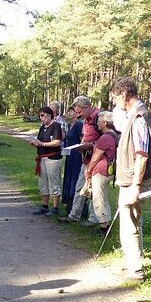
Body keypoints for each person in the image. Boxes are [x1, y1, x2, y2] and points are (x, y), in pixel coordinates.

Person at [111, 77, 151, 282]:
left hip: (134, 180)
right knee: (131, 223)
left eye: (115, 97)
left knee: (130, 225)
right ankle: (133, 264)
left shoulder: (139, 117)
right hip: (132, 179)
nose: (114, 102)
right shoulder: (138, 114)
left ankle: (136, 270)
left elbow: (142, 154)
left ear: (124, 95)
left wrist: (136, 186)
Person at [58, 95, 99, 225]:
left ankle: (93, 219)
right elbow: (85, 137)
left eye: (80, 112)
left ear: (87, 107)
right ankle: (74, 214)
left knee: (93, 190)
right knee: (79, 187)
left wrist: (91, 145)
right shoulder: (85, 120)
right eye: (76, 112)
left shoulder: (98, 118)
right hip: (86, 158)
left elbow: (107, 138)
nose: (78, 115)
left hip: (97, 159)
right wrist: (82, 145)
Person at [85, 111, 119, 235]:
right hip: (109, 169)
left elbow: (95, 157)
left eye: (99, 121)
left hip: (101, 170)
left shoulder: (105, 137)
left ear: (105, 123)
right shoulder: (115, 135)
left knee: (99, 198)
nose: (97, 124)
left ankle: (104, 227)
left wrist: (88, 170)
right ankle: (106, 223)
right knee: (103, 197)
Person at [28, 106, 63, 216]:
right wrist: (35, 144)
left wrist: (42, 144)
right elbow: (40, 141)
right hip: (42, 157)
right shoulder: (42, 127)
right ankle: (44, 206)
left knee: (54, 184)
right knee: (43, 184)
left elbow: (57, 142)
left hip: (52, 159)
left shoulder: (56, 126)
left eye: (42, 115)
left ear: (49, 115)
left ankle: (55, 207)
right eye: (40, 116)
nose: (41, 118)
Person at [61, 107, 84, 215]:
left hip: (77, 155)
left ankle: (78, 207)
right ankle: (69, 203)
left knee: (75, 179)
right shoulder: (70, 125)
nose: (69, 113)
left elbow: (82, 141)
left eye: (72, 111)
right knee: (68, 178)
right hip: (69, 155)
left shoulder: (79, 124)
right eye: (69, 111)